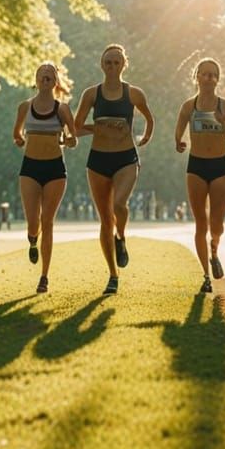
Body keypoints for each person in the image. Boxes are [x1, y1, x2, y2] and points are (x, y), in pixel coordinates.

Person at [74, 44, 155, 295]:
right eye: (108, 62)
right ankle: (112, 275)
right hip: (98, 161)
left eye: (116, 62)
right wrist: (98, 128)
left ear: (123, 65)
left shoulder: (133, 93)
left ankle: (121, 237)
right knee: (105, 220)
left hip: (126, 158)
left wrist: (145, 137)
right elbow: (76, 127)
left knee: (119, 205)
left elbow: (149, 118)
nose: (112, 66)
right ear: (102, 64)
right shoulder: (91, 94)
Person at [174, 57, 225, 294]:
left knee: (217, 224)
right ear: (197, 77)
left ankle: (214, 249)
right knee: (200, 223)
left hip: (220, 166)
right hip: (196, 166)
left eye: (213, 75)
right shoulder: (189, 107)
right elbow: (178, 131)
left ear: (217, 79)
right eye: (204, 73)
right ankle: (205, 275)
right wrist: (179, 142)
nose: (209, 78)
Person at [12, 62, 77, 294]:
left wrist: (68, 140)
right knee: (33, 223)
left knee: (47, 222)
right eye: (42, 75)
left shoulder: (62, 109)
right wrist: (20, 140)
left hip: (55, 170)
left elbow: (73, 138)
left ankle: (44, 277)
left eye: (50, 75)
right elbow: (16, 133)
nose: (46, 78)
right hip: (30, 168)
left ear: (55, 82)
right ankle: (32, 240)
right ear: (36, 80)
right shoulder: (25, 107)